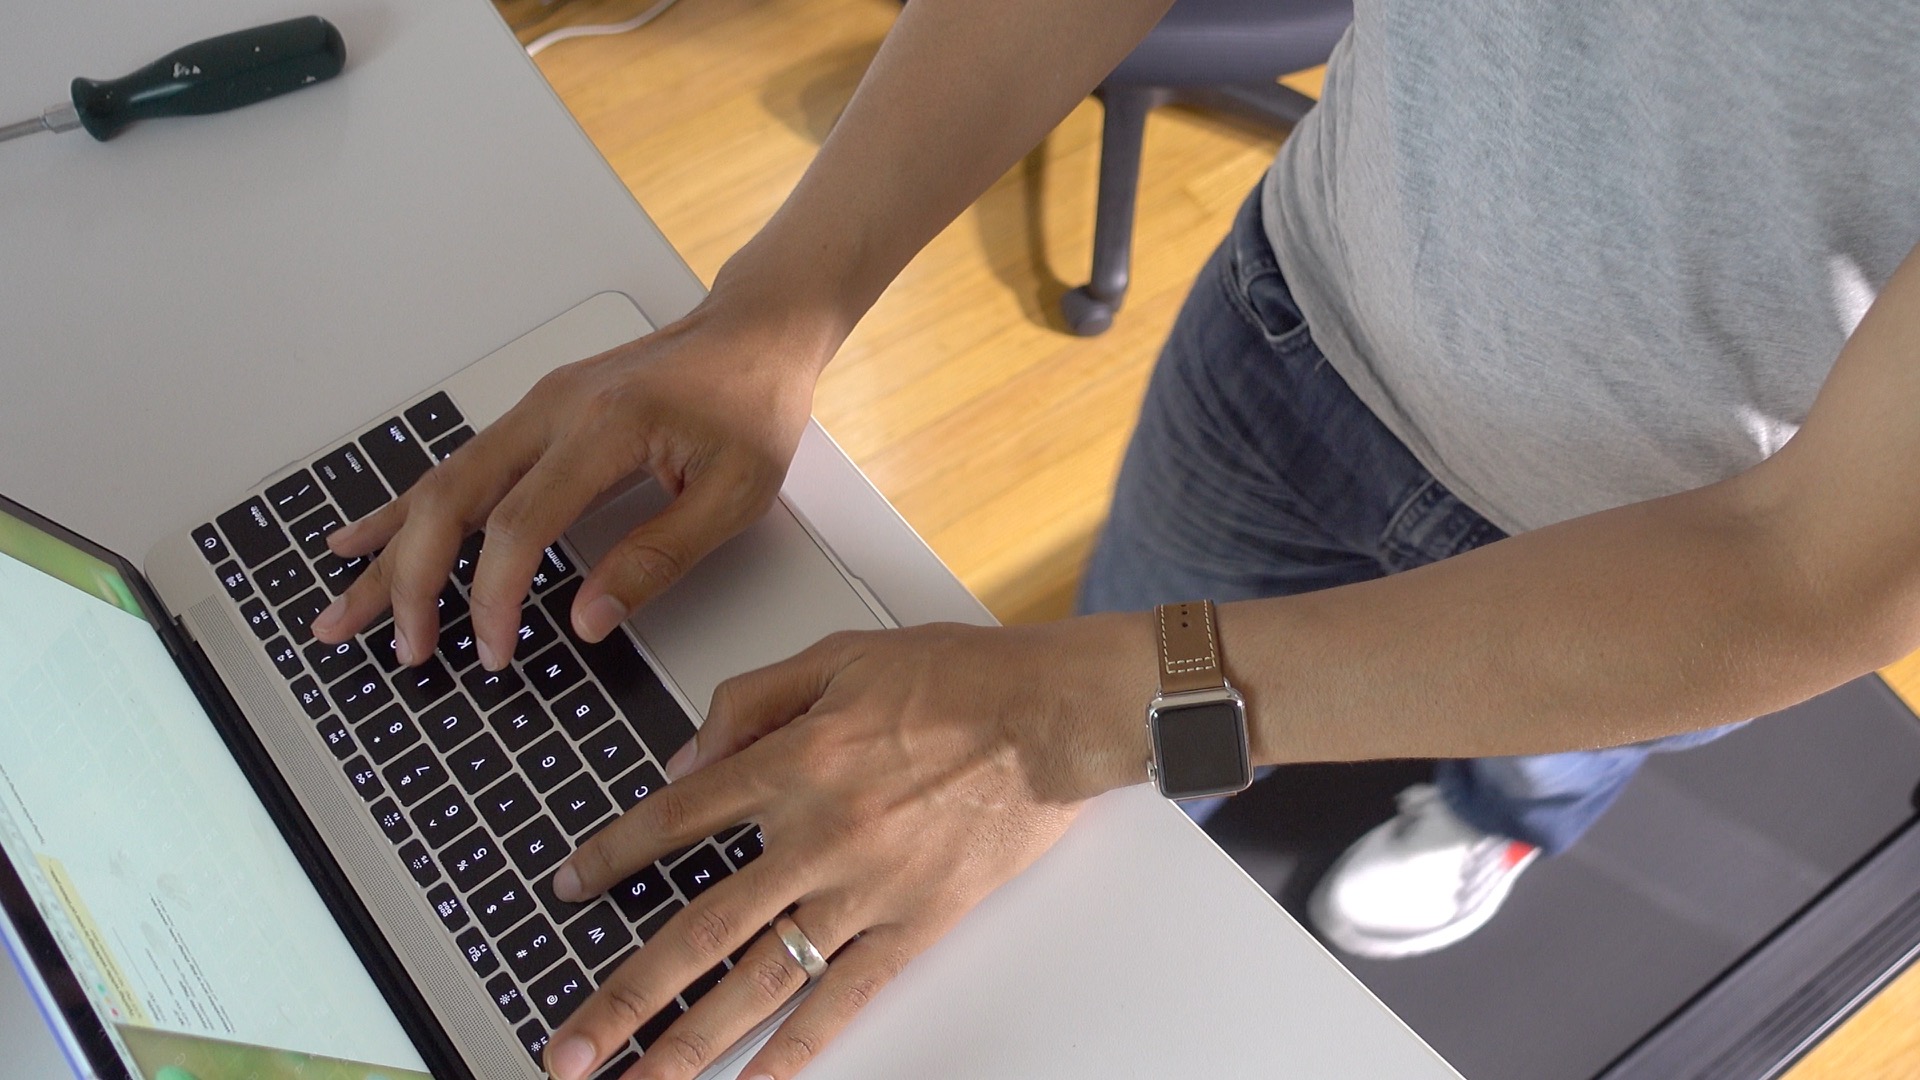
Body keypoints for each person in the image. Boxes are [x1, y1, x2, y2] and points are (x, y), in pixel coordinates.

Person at [310, 0, 1920, 1076]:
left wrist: (1068, 709)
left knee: (1522, 755)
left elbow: (1809, 571)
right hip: (1299, 326)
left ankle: (1501, 815)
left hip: (1670, 541)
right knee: (1134, 713)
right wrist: (782, 304)